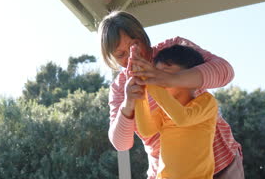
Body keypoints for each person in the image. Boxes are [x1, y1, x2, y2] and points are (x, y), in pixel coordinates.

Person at [98, 11, 244, 179]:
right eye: (121, 55)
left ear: (142, 36)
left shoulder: (175, 49)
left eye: (135, 44)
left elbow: (225, 72)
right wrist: (129, 102)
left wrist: (170, 78)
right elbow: (121, 143)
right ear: (112, 58)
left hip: (220, 163)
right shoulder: (120, 88)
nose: (132, 55)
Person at [134, 44, 218, 178]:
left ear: (189, 76)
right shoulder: (164, 110)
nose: (158, 78)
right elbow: (146, 130)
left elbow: (182, 118)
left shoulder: (207, 102)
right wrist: (140, 96)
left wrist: (149, 82)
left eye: (165, 72)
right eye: (156, 72)